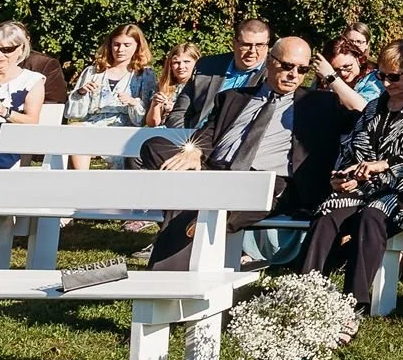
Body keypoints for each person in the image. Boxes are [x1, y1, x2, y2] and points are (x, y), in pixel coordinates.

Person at [138, 37, 351, 270]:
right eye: (288, 66)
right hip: (214, 173)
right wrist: (194, 151)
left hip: (269, 182)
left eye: (303, 69)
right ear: (270, 60)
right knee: (154, 144)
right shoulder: (233, 97)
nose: (294, 74)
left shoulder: (320, 104)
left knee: (199, 206)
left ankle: (181, 252)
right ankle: (194, 215)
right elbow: (207, 134)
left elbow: (365, 113)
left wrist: (332, 78)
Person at [298, 40, 403, 310]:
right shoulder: (375, 107)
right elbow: (356, 146)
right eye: (382, 76)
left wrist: (387, 164)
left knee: (373, 213)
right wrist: (347, 174)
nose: (386, 83)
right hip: (369, 185)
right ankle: (306, 296)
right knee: (329, 211)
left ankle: (353, 304)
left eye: (394, 77)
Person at [63, 22, 158, 167]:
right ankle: (80, 180)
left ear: (137, 46)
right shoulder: (93, 71)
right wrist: (81, 92)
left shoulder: (145, 75)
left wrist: (133, 103)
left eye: (127, 45)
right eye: (116, 44)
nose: (121, 49)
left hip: (125, 127)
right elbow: (73, 113)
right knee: (75, 129)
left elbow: (143, 120)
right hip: (94, 124)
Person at [172, 18, 273, 129]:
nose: (252, 51)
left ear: (267, 45)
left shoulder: (273, 74)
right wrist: (184, 137)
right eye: (246, 44)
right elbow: (179, 113)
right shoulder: (207, 66)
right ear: (234, 43)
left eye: (259, 45)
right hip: (195, 137)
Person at [0, 22, 48, 169]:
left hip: (4, 139)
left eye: (7, 50)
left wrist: (4, 111)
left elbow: (31, 121)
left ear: (21, 49)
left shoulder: (32, 80)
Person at [145, 41, 203, 128]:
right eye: (176, 63)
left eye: (186, 62)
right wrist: (155, 105)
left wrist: (176, 110)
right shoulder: (163, 87)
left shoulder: (202, 87)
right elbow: (152, 123)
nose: (181, 66)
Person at [313, 38, 371, 114]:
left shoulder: (374, 79)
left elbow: (365, 110)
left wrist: (332, 77)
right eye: (336, 70)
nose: (343, 73)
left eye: (347, 66)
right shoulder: (326, 84)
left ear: (358, 59)